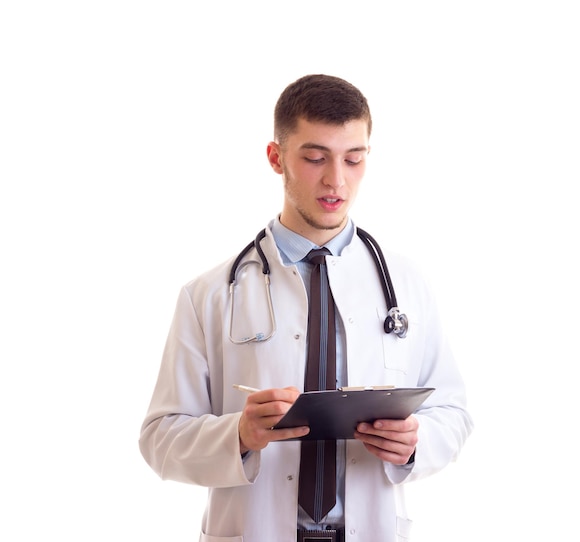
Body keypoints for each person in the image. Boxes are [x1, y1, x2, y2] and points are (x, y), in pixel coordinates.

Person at [139, 74, 473, 542]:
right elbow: (160, 439)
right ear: (276, 158)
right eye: (315, 158)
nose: (336, 179)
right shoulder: (209, 294)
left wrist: (416, 442)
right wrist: (238, 435)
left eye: (353, 159)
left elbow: (453, 414)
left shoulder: (408, 285)